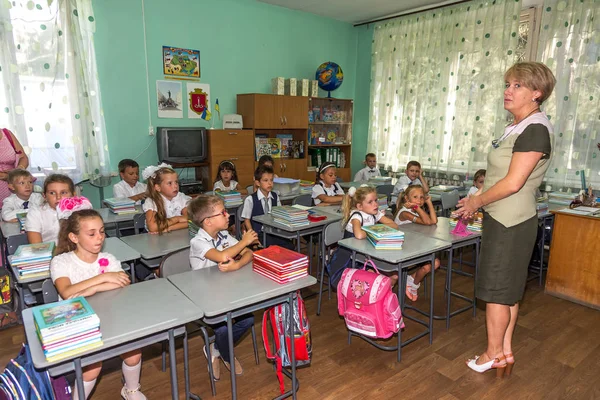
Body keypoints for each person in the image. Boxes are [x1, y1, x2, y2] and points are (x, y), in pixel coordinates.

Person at [454, 62, 556, 377]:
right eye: (507, 84)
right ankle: (505, 350)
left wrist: (476, 201)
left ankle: (492, 353)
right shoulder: (519, 125)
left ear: (537, 93)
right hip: (506, 218)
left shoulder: (535, 128)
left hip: (511, 221)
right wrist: (477, 200)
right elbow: (502, 176)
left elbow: (513, 183)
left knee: (497, 292)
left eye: (517, 86)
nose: (507, 91)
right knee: (509, 290)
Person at [50, 197, 146, 400]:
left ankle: (131, 390)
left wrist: (87, 289)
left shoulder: (108, 259)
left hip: (109, 316)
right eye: (91, 233)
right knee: (92, 367)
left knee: (134, 352)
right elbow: (67, 292)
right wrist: (102, 278)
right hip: (75, 322)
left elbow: (121, 283)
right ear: (74, 237)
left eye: (102, 231)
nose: (99, 237)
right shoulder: (61, 262)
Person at [188, 195, 257, 380]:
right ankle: (227, 354)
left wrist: (237, 265)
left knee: (248, 320)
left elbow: (249, 253)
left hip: (228, 291)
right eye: (223, 212)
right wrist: (244, 241)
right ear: (208, 221)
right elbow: (221, 256)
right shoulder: (198, 242)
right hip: (206, 298)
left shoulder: (224, 235)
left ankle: (216, 349)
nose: (228, 215)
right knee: (223, 329)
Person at [342, 185, 399, 284]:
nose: (375, 204)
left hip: (369, 252)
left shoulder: (375, 213)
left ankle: (380, 295)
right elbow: (359, 235)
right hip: (352, 257)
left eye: (376, 200)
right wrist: (376, 231)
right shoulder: (356, 215)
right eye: (370, 202)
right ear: (360, 206)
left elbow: (394, 225)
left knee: (394, 275)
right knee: (378, 278)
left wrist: (378, 230)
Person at [394, 185, 440, 301]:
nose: (419, 200)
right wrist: (417, 208)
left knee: (435, 263)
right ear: (406, 198)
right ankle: (412, 285)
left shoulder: (415, 209)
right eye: (415, 197)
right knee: (431, 264)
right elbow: (427, 222)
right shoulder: (404, 213)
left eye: (422, 197)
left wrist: (429, 203)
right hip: (402, 249)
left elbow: (433, 221)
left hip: (414, 245)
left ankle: (410, 281)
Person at [241, 165, 291, 248]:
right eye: (265, 180)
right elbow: (247, 220)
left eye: (271, 180)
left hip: (274, 232)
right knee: (272, 246)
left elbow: (279, 214)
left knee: (289, 245)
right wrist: (253, 237)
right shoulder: (250, 199)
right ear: (257, 183)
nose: (269, 183)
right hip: (259, 233)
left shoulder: (275, 196)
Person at [25, 174, 75, 244]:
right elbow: (37, 247)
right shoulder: (35, 213)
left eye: (63, 192)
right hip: (47, 253)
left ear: (73, 195)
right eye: (52, 193)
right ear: (44, 196)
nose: (58, 197)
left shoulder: (79, 211)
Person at [142, 163, 191, 234]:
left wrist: (169, 228)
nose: (175, 186)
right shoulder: (152, 201)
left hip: (177, 236)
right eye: (170, 183)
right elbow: (152, 227)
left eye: (176, 182)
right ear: (158, 187)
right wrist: (177, 219)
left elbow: (191, 221)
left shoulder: (181, 197)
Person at [0, 128, 29, 204]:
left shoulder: (6, 133)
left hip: (16, 192)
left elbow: (23, 157)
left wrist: (17, 172)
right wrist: (9, 176)